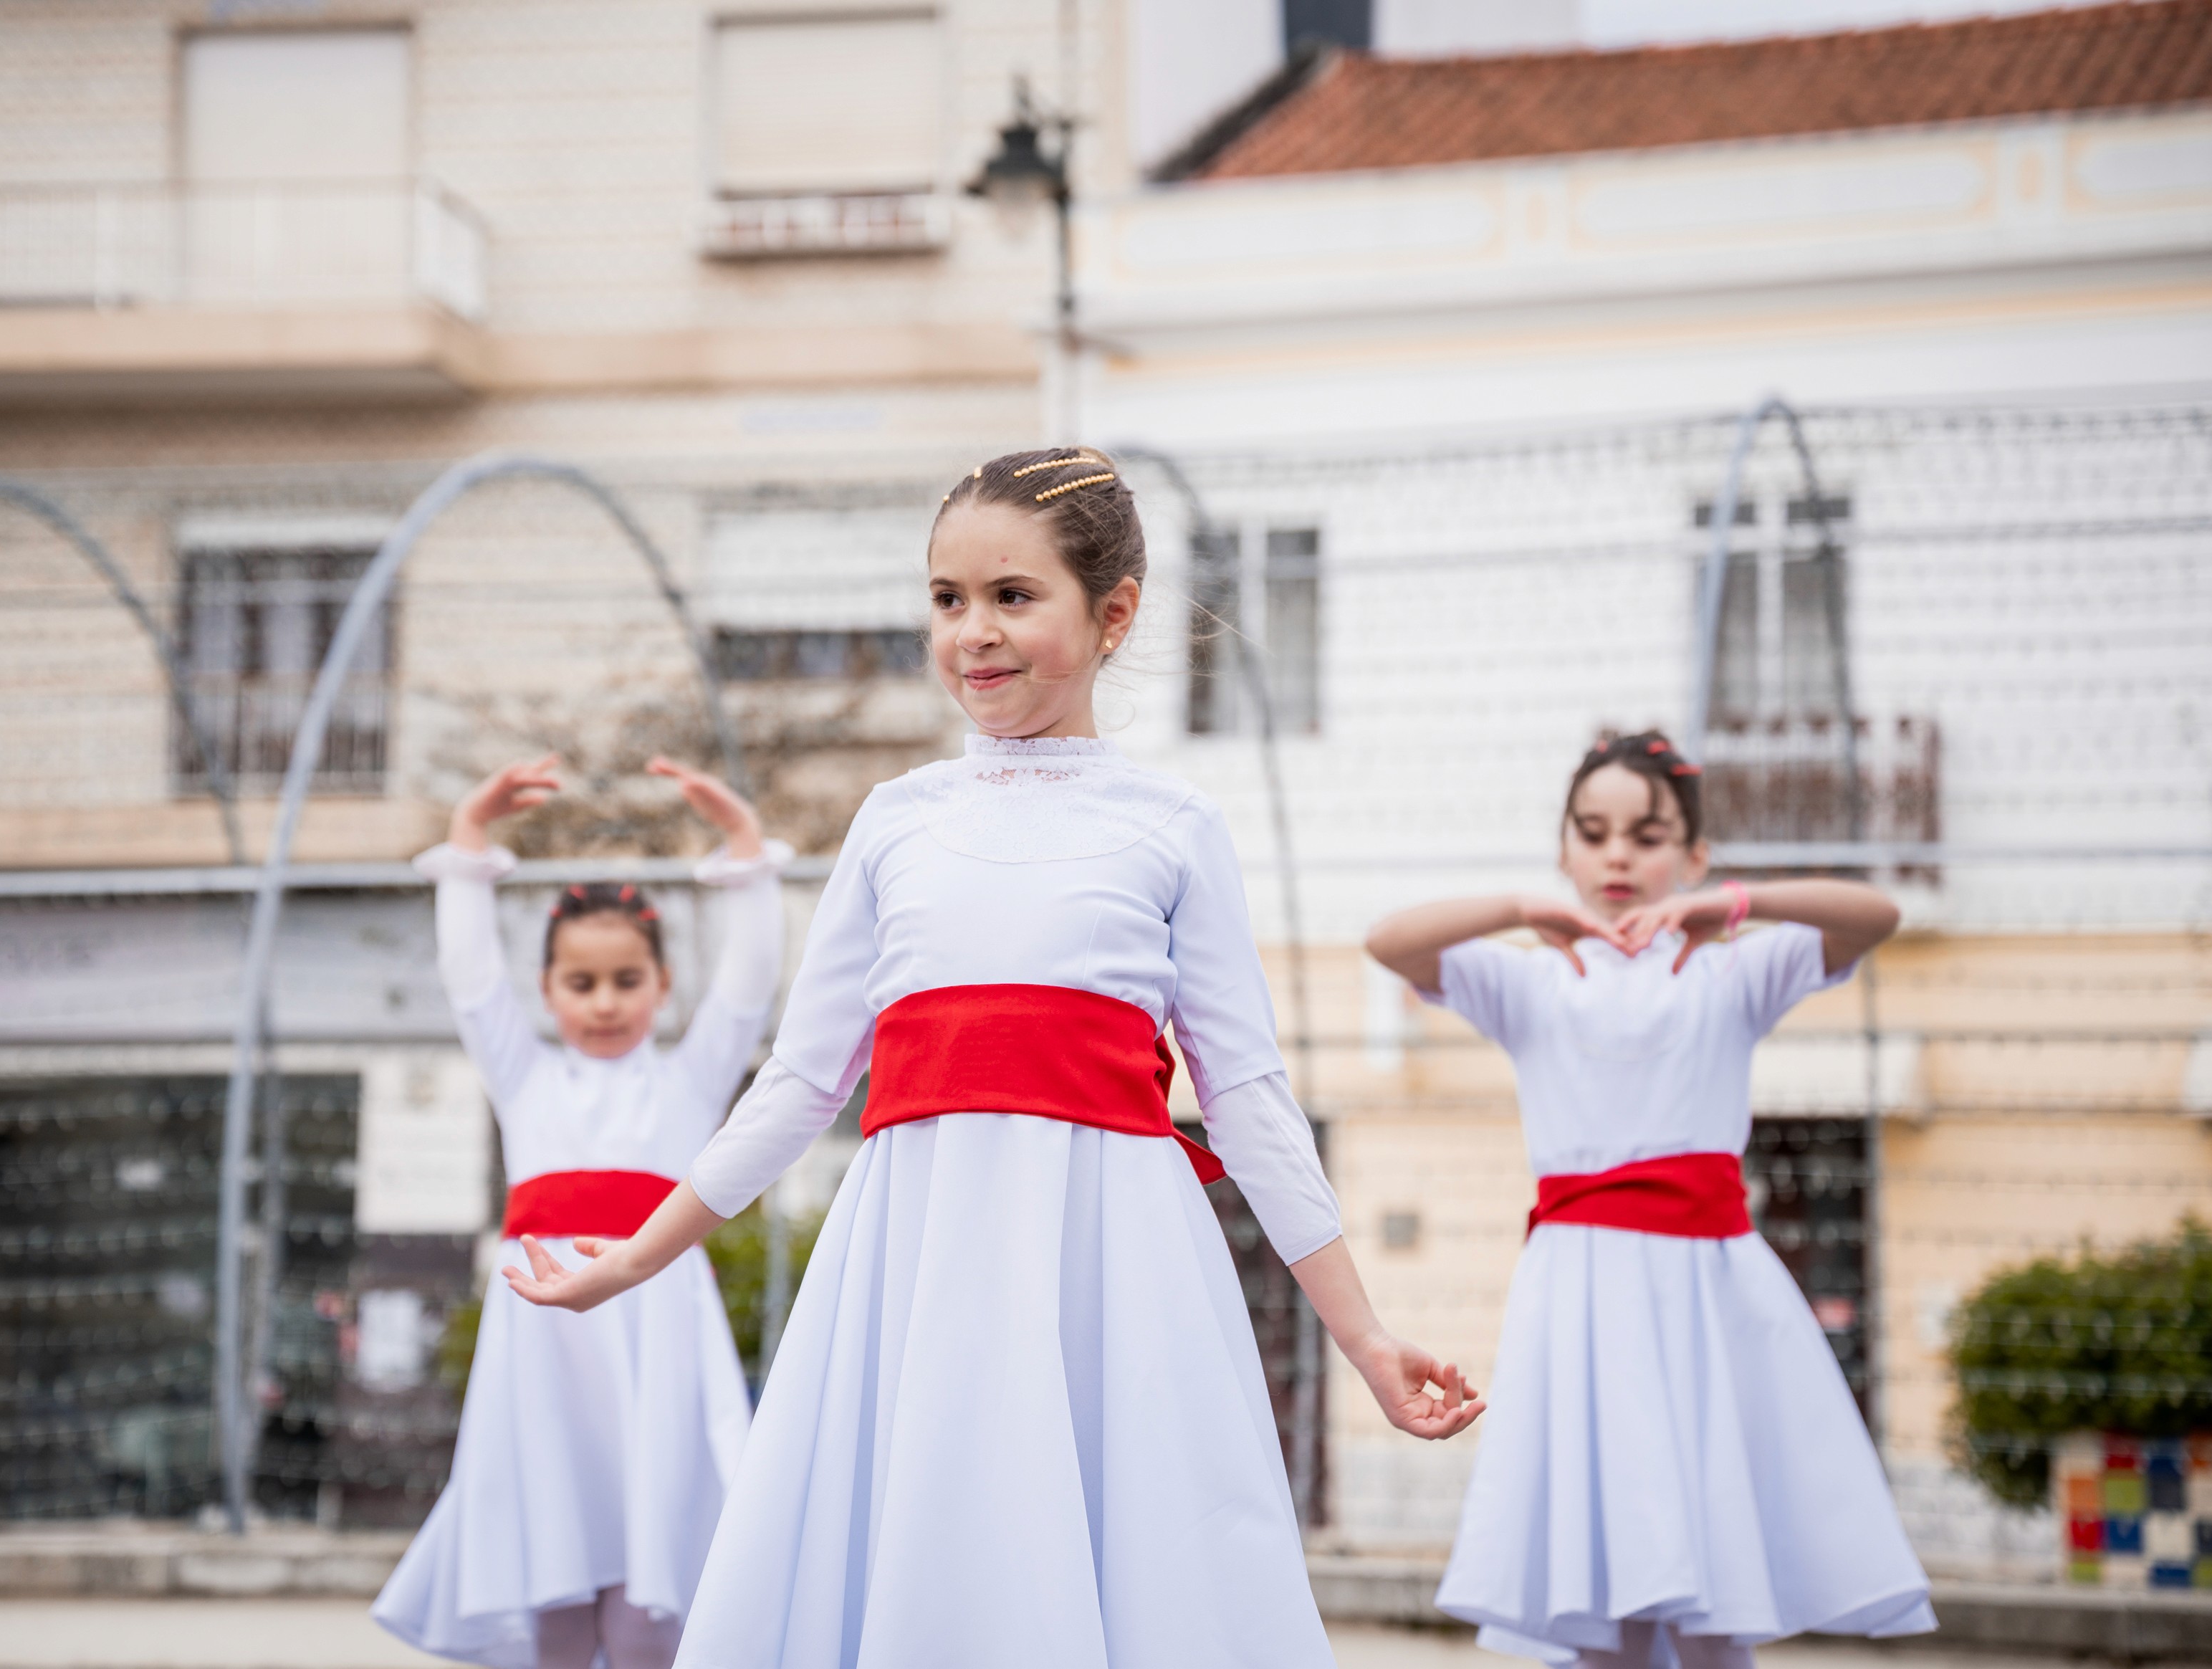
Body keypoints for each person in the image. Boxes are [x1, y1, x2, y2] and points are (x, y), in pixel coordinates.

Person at [504, 449, 1483, 1668]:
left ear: (1112, 613)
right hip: (913, 1263)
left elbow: (1247, 1097)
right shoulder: (897, 817)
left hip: (1110, 1268)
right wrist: (640, 1255)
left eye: (1014, 596)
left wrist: (1369, 1340)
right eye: (946, 597)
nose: (974, 631)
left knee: (1115, 1572)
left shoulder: (1172, 825)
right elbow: (804, 1080)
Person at [1364, 730, 1935, 1669]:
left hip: (1704, 1289)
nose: (1619, 854)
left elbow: (1873, 914)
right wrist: (1522, 909)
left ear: (1694, 853)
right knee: (1601, 1586)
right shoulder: (1531, 979)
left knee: (1710, 1590)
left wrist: (1733, 906)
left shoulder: (1731, 970)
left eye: (1648, 832)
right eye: (1592, 833)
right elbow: (1389, 942)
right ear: (1564, 850)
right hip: (1579, 1294)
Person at [372, 755, 789, 1669]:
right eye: (582, 983)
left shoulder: (690, 1077)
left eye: (626, 981)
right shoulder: (522, 1079)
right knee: (552, 1574)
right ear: (549, 988)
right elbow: (470, 977)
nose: (604, 1002)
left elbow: (751, 983)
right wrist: (470, 837)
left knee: (652, 1588)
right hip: (546, 1336)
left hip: (656, 1327)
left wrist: (743, 849)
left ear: (662, 984)